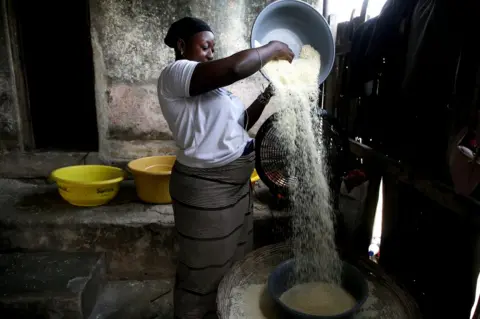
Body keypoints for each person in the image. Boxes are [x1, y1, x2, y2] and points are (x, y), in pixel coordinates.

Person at [157, 17, 294, 318]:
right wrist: (273, 48)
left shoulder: (214, 92)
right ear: (181, 46)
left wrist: (271, 91)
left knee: (233, 260)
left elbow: (241, 124)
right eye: (205, 47)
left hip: (235, 187)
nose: (210, 54)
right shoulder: (175, 73)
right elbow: (234, 68)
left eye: (212, 48)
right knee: (204, 273)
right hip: (208, 189)